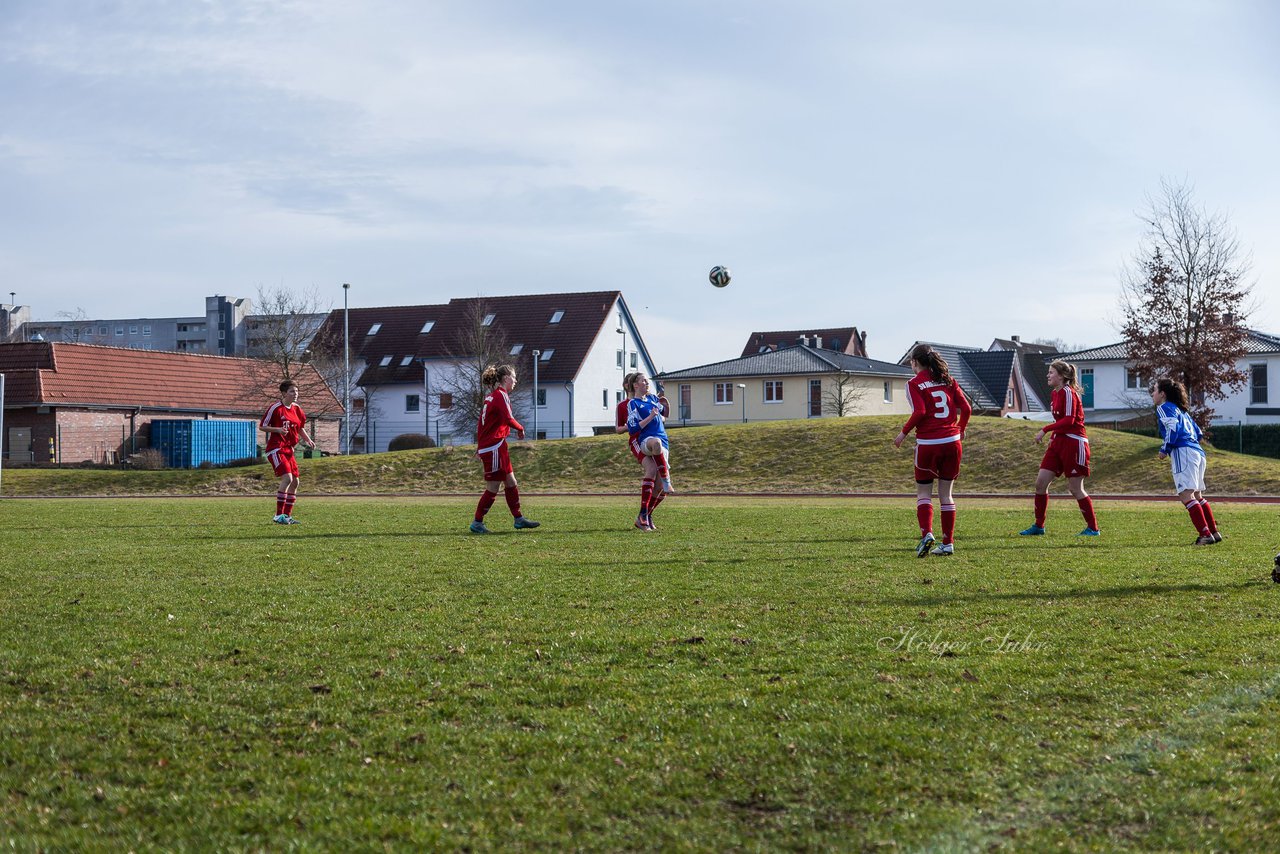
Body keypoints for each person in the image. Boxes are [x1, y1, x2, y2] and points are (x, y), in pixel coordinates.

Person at [894, 344, 972, 556]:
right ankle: (948, 543)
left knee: (923, 493)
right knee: (946, 494)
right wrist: (962, 429)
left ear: (915, 362)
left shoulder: (914, 383)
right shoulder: (948, 379)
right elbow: (966, 408)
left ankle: (927, 534)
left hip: (929, 444)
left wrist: (903, 433)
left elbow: (920, 411)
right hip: (952, 442)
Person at [1019, 360, 1100, 537]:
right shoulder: (1054, 394)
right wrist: (1054, 436)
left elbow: (1070, 420)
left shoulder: (1068, 393)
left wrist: (1045, 430)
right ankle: (1038, 526)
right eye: (1048, 372)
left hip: (1074, 443)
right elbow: (1059, 422)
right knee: (1040, 483)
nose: (1048, 375)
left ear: (1062, 376)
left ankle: (1093, 528)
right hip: (1059, 443)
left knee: (1075, 488)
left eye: (1051, 372)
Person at [470, 364, 539, 534]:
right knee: (493, 487)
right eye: (514, 377)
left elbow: (481, 425)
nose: (515, 381)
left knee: (511, 482)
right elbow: (508, 418)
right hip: (493, 447)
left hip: (496, 445)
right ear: (506, 378)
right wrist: (521, 428)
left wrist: (480, 446)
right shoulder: (500, 395)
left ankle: (518, 519)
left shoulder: (492, 397)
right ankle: (477, 522)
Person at [1152, 378, 1221, 545]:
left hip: (1183, 452)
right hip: (1197, 451)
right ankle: (1214, 532)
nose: (1152, 394)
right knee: (1197, 494)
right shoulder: (1183, 411)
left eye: (1154, 390)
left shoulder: (1163, 407)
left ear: (1162, 394)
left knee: (1185, 494)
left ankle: (1205, 535)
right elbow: (1198, 434)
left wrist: (1165, 449)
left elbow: (1172, 428)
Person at [260, 379, 316, 524]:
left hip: (289, 449)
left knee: (295, 482)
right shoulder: (275, 408)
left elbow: (300, 427)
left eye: (296, 391)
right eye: (292, 391)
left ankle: (287, 516)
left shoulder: (297, 409)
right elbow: (262, 426)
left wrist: (308, 440)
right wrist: (277, 429)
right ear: (284, 393)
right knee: (288, 478)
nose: (295, 394)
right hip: (276, 448)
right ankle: (278, 516)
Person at [625, 372, 674, 531]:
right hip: (647, 440)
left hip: (663, 440)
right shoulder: (633, 403)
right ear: (636, 385)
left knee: (659, 489)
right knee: (656, 443)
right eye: (643, 381)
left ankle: (644, 515)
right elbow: (632, 428)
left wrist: (664, 401)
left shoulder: (653, 399)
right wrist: (651, 416)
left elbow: (664, 414)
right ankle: (667, 481)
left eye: (647, 381)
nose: (647, 383)